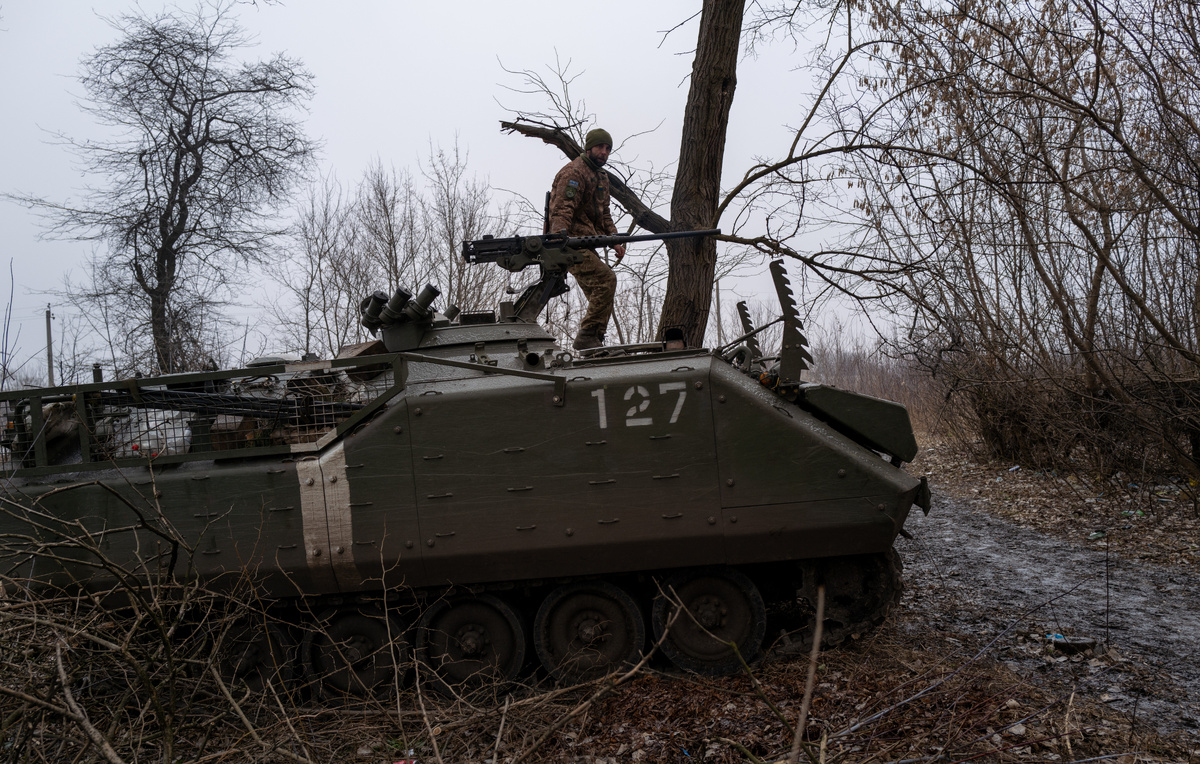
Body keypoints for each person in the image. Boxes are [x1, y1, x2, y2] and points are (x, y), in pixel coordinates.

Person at [548, 128, 627, 351]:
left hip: (587, 242)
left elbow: (604, 215)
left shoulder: (601, 176)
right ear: (589, 147)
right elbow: (561, 211)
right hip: (569, 243)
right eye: (600, 147)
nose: (604, 152)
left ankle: (593, 343)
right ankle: (587, 338)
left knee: (599, 294)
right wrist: (560, 242)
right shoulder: (574, 173)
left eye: (608, 149)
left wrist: (615, 240)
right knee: (606, 280)